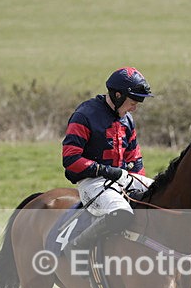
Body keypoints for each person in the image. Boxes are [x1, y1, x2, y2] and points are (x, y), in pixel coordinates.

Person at [61, 67, 154, 251]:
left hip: (122, 179)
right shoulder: (84, 115)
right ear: (118, 95)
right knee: (122, 214)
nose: (134, 108)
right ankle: (76, 247)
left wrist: (139, 186)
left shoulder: (127, 120)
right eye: (132, 102)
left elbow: (135, 158)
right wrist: (106, 171)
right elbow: (70, 158)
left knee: (162, 195)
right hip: (92, 182)